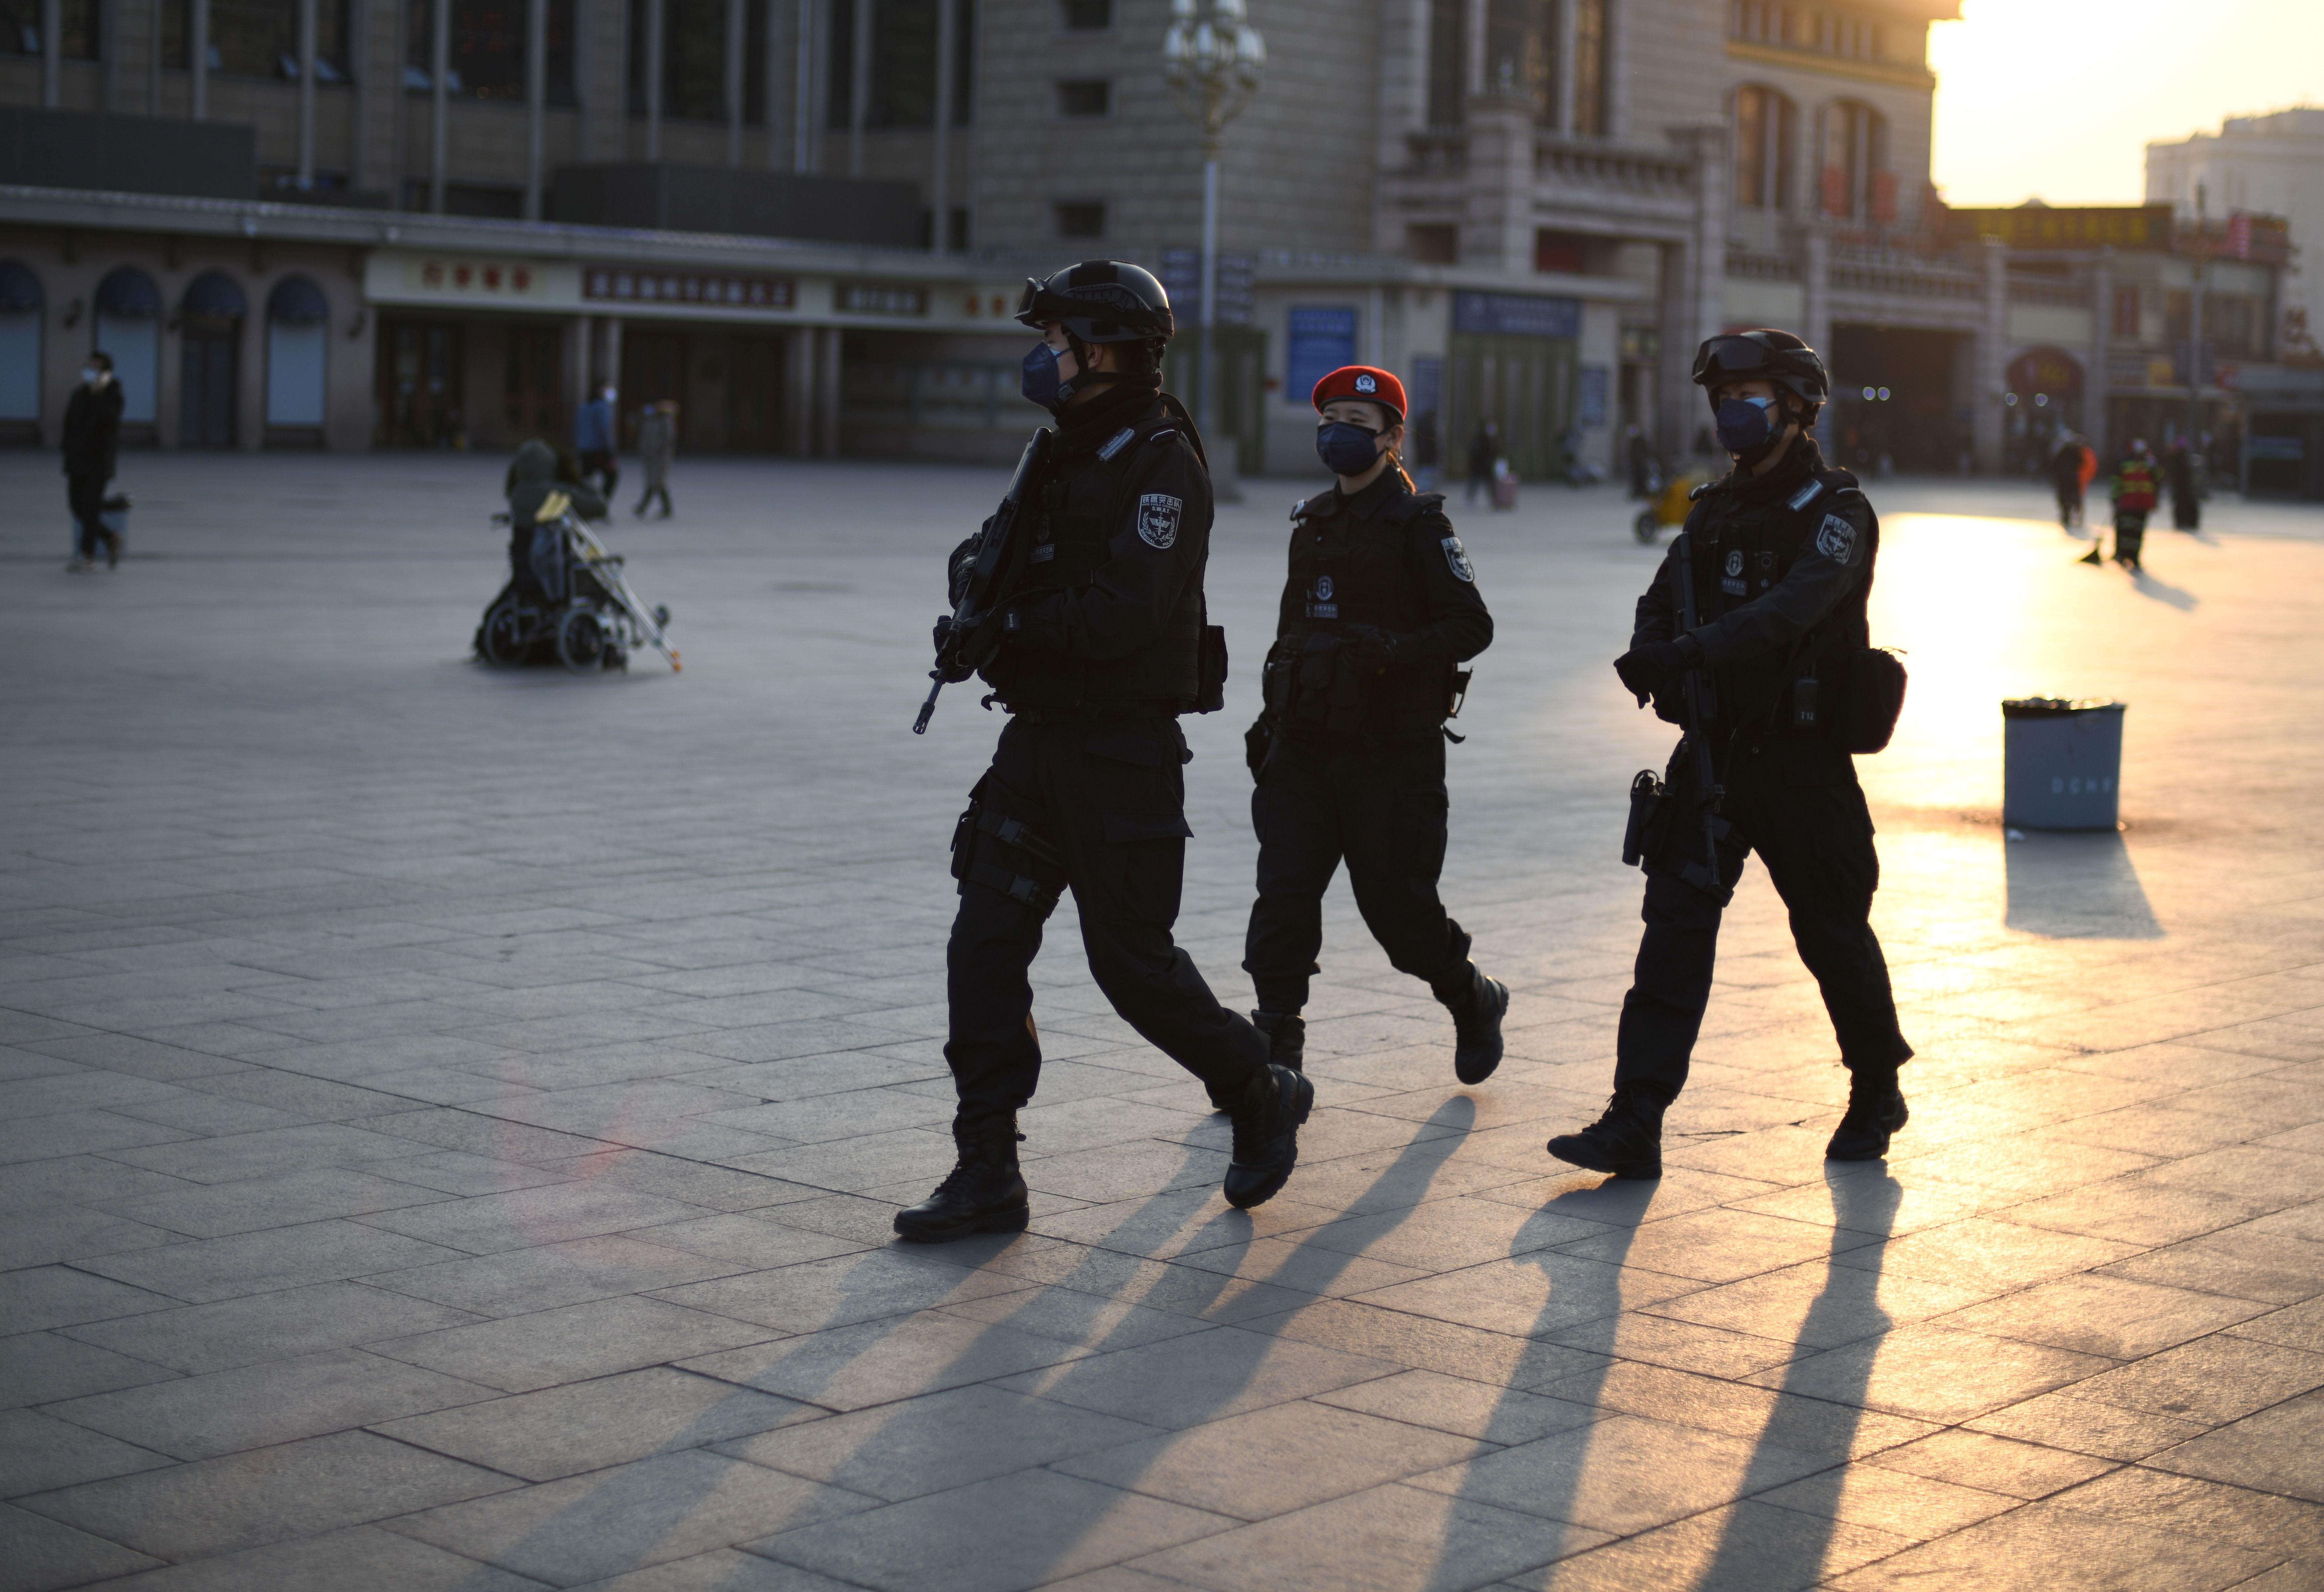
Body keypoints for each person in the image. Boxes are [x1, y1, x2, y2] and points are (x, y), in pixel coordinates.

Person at [894, 259, 1309, 1244]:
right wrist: (974, 607)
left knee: (1132, 968)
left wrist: (1011, 628)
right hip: (1035, 742)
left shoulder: (1160, 460)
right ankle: (986, 1165)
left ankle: (1255, 1084)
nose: (1043, 361)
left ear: (1106, 352)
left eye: (1056, 344)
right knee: (982, 946)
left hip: (1120, 753)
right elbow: (984, 548)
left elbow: (1128, 610)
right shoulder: (1059, 449)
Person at [1545, 328, 1914, 1179]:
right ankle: (1636, 1115)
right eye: (1723, 399)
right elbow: (1659, 595)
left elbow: (1792, 608)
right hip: (1712, 756)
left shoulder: (1836, 512)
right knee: (1671, 934)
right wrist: (1655, 654)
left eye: (1749, 398)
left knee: (1829, 930)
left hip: (1802, 762)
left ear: (1795, 409)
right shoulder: (1713, 507)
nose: (1731, 413)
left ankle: (1875, 1084)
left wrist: (1694, 651)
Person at [1242, 365, 1505, 1095]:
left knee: (1399, 915)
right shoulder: (1313, 520)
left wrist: (1391, 650)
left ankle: (1468, 994)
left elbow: (1470, 625)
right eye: (1331, 417)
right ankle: (1275, 1049)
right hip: (1305, 747)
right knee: (1283, 894)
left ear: (1392, 438)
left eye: (1360, 422)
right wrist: (1270, 717)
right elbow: (1290, 628)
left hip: (1390, 754)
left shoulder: (1420, 525)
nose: (1340, 432)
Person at [506, 438, 607, 607]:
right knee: (598, 577)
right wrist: (582, 481)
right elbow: (600, 508)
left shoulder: (516, 496)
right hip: (556, 573)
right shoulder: (557, 493)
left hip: (525, 573)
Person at [62, 352, 124, 573]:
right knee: (77, 506)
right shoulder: (79, 394)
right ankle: (110, 537)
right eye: (89, 367)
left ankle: (87, 556)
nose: (91, 372)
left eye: (96, 369)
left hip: (99, 462)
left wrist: (99, 397)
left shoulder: (113, 395)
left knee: (90, 508)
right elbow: (69, 425)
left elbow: (112, 422)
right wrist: (67, 451)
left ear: (106, 373)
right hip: (77, 461)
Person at [2085, 440, 2159, 570]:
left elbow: (2158, 479)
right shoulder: (2125, 462)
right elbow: (2117, 481)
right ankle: (2122, 554)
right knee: (2125, 530)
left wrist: (2154, 465)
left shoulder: (2150, 464)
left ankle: (2134, 557)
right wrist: (2115, 498)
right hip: (2127, 503)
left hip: (2142, 504)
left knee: (2137, 531)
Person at [634, 400, 677, 518]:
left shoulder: (666, 420)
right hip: (650, 456)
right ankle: (667, 508)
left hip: (661, 457)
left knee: (655, 482)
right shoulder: (650, 419)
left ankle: (642, 507)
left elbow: (669, 438)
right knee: (658, 482)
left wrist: (659, 449)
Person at [575, 383, 619, 498]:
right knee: (612, 476)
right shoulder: (602, 407)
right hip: (599, 450)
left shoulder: (584, 407)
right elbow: (604, 430)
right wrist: (609, 450)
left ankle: (585, 502)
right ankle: (601, 504)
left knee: (585, 479)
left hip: (584, 449)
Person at [2050, 432, 2090, 531]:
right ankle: (2075, 516)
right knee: (2074, 497)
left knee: (2065, 498)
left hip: (2064, 479)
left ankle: (2066, 516)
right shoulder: (2075, 452)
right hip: (2072, 478)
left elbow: (2054, 465)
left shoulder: (2061, 452)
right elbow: (2082, 462)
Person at [2164, 437, 2200, 532]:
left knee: (2181, 505)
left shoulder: (2177, 459)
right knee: (2183, 504)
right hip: (2184, 488)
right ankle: (2185, 521)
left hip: (2181, 488)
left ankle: (2182, 521)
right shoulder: (2183, 460)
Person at [1465, 419, 1499, 505]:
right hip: (1483, 465)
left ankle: (1471, 500)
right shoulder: (1484, 438)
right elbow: (1491, 452)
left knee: (1478, 483)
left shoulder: (1480, 438)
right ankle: (1493, 501)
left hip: (1480, 466)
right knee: (1481, 483)